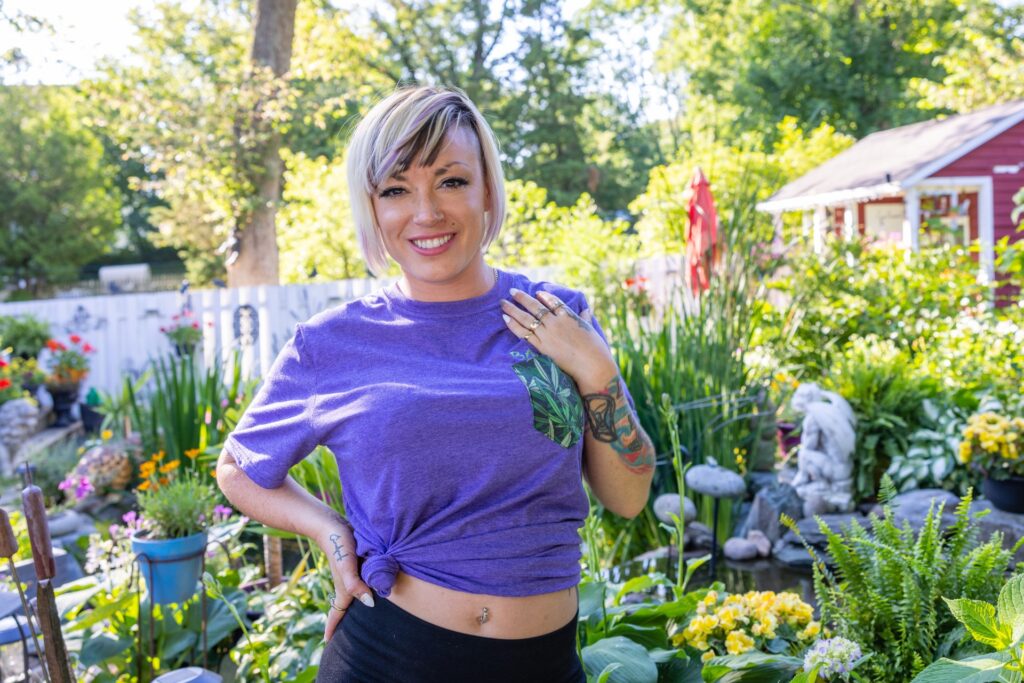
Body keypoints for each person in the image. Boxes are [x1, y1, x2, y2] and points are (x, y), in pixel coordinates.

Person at [216, 85, 656, 683]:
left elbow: (628, 499)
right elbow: (239, 467)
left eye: (451, 181)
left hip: (544, 666)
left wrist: (597, 371)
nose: (426, 213)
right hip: (387, 659)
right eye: (396, 190)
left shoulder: (556, 317)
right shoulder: (333, 343)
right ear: (372, 207)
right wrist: (332, 532)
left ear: (487, 190)